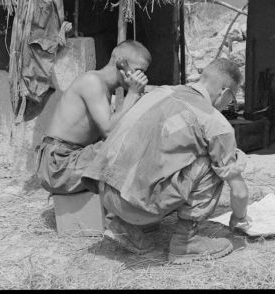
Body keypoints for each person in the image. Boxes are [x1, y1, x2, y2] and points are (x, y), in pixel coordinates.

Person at [81, 58, 250, 263]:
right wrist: (239, 218)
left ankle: (123, 226)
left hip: (105, 193)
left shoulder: (158, 92)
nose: (227, 105)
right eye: (230, 100)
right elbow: (239, 191)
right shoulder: (216, 123)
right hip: (136, 207)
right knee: (214, 160)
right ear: (225, 93)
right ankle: (187, 242)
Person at [35, 40, 150, 195]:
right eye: (137, 71)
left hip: (72, 159)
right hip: (58, 165)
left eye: (143, 73)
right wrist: (133, 94)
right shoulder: (92, 82)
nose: (140, 77)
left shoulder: (105, 89)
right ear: (120, 64)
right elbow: (109, 131)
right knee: (123, 146)